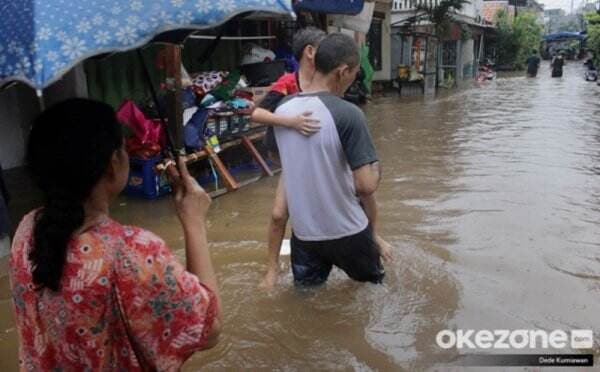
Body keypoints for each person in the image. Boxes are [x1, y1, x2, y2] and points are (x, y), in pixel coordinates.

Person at [9, 99, 221, 370]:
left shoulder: (27, 230)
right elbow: (208, 330)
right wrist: (194, 223)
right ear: (114, 163)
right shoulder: (132, 251)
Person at [272, 33, 393, 286]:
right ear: (343, 71)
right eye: (355, 74)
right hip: (348, 231)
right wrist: (376, 166)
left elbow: (283, 161)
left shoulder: (282, 109)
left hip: (305, 235)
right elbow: (365, 186)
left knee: (308, 302)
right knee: (375, 292)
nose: (353, 80)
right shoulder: (349, 114)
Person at [251, 28, 324, 288]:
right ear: (310, 52)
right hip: (291, 160)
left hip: (318, 160)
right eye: (323, 47)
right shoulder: (287, 82)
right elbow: (257, 113)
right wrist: (290, 122)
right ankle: (271, 269)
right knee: (279, 214)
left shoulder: (326, 82)